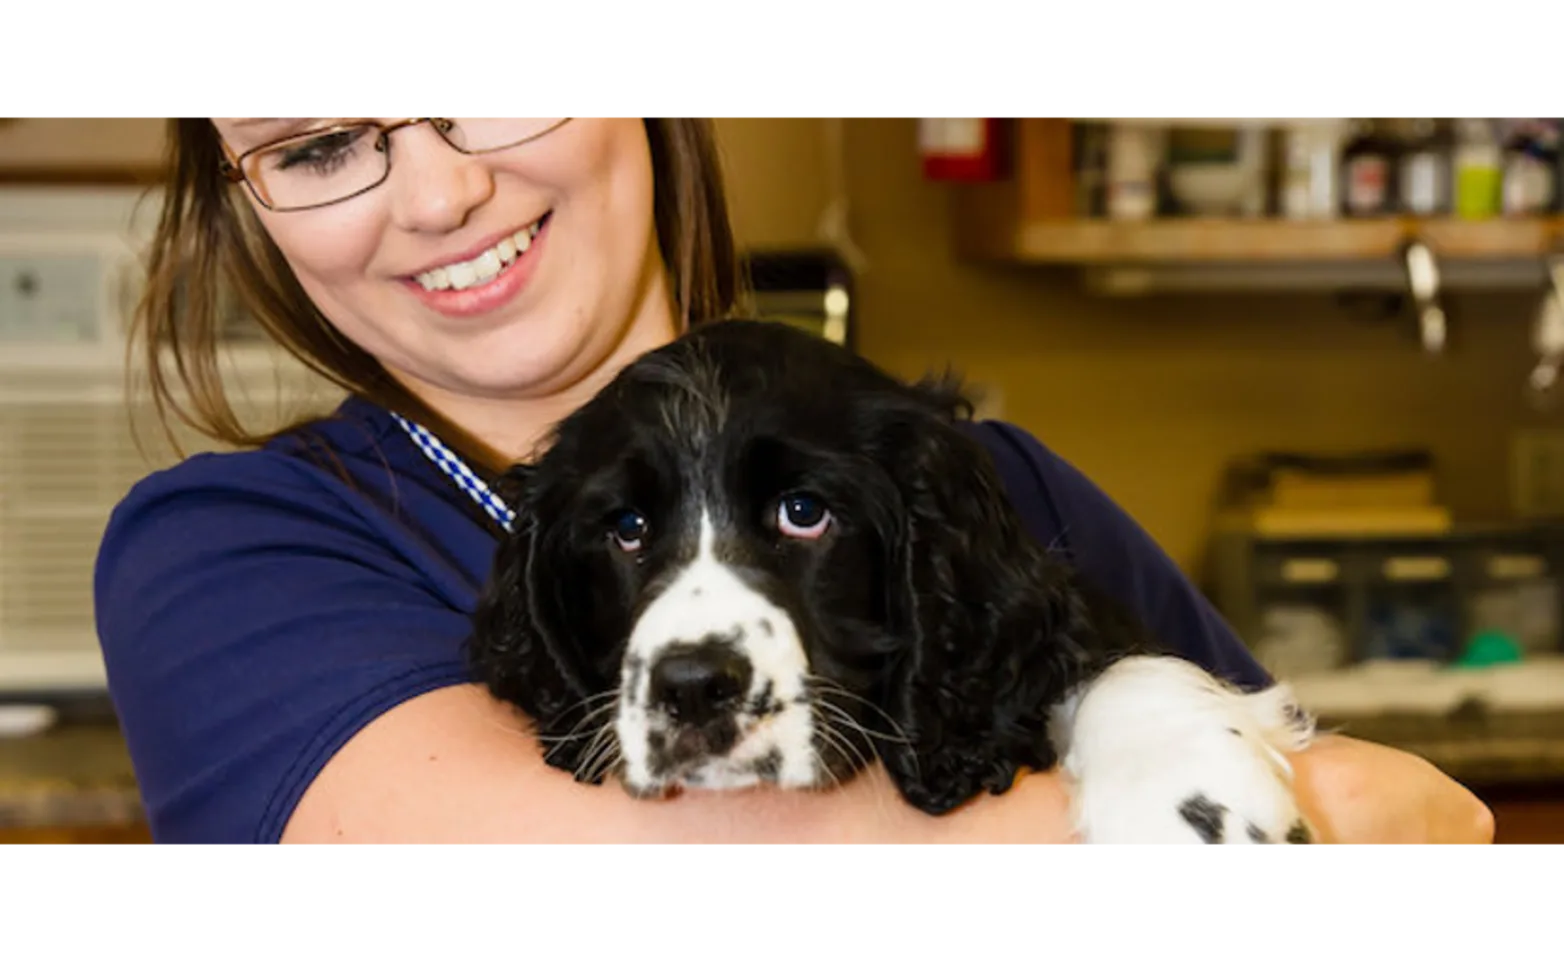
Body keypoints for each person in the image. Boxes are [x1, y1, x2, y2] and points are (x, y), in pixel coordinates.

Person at [93, 113, 1494, 847]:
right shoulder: (232, 554)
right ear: (244, 203)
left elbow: (1441, 820)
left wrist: (1156, 727)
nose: (438, 194)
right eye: (319, 143)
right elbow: (1350, 812)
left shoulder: (986, 487)